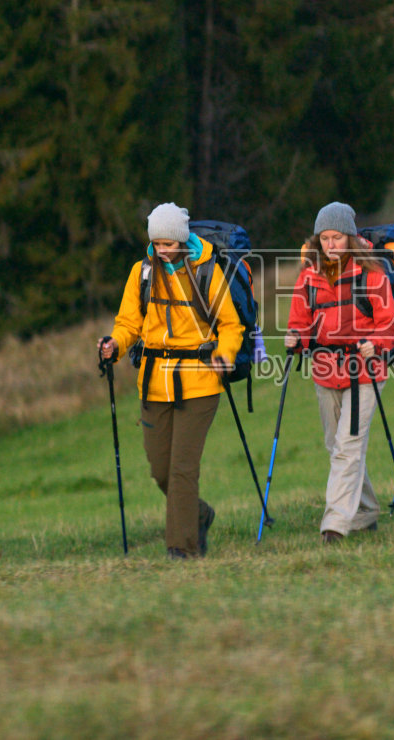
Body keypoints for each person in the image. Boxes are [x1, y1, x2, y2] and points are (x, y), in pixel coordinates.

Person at [99, 203, 242, 559]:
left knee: (181, 470)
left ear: (181, 240)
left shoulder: (206, 270)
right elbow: (129, 323)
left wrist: (225, 354)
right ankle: (199, 515)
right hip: (153, 385)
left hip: (201, 383)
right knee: (160, 470)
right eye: (156, 244)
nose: (162, 251)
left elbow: (230, 324)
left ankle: (183, 548)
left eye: (168, 244)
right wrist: (115, 345)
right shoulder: (142, 272)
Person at [285, 202, 394, 544]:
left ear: (349, 238)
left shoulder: (372, 274)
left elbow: (390, 325)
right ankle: (365, 511)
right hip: (325, 370)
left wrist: (374, 343)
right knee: (336, 445)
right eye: (324, 238)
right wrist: (296, 338)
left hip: (365, 371)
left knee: (348, 446)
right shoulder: (308, 276)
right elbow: (300, 322)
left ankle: (334, 524)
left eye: (336, 237)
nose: (331, 244)